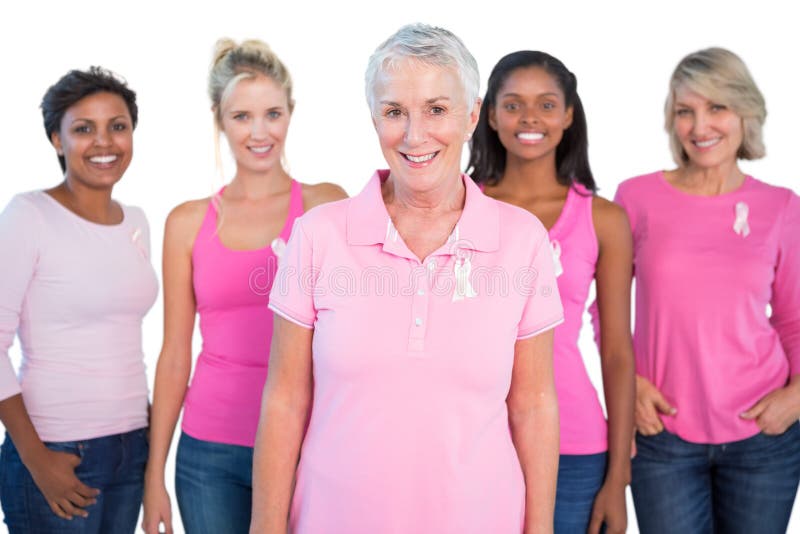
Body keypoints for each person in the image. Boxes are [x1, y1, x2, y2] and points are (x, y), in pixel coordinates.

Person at [250, 23, 564, 534]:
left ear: (470, 116)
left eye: (436, 110)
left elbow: (533, 404)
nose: (415, 136)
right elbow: (285, 399)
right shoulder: (317, 235)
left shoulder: (522, 239)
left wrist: (542, 528)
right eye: (395, 112)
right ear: (374, 118)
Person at [142, 38, 346, 534]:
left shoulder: (326, 206)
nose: (259, 132)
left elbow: (354, 335)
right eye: (241, 117)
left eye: (272, 114)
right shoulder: (187, 223)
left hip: (306, 442)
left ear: (290, 114)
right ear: (219, 118)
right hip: (209, 453)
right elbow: (174, 354)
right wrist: (154, 475)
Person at [616, 47, 800, 533]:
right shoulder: (637, 198)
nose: (700, 127)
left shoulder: (780, 207)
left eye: (716, 107)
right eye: (685, 111)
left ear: (745, 113)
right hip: (662, 436)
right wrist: (627, 383)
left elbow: (794, 319)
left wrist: (798, 395)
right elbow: (606, 311)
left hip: (763, 437)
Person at [467, 51, 634, 534]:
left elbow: (618, 352)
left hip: (574, 446)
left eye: (545, 104)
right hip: (473, 438)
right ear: (490, 115)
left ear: (567, 115)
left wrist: (617, 480)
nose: (529, 118)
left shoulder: (603, 219)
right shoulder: (459, 205)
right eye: (514, 105)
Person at [0, 67, 157, 533]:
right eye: (83, 128)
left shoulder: (137, 220)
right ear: (56, 139)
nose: (104, 142)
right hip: (59, 449)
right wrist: (36, 458)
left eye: (118, 126)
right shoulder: (29, 215)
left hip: (131, 448)